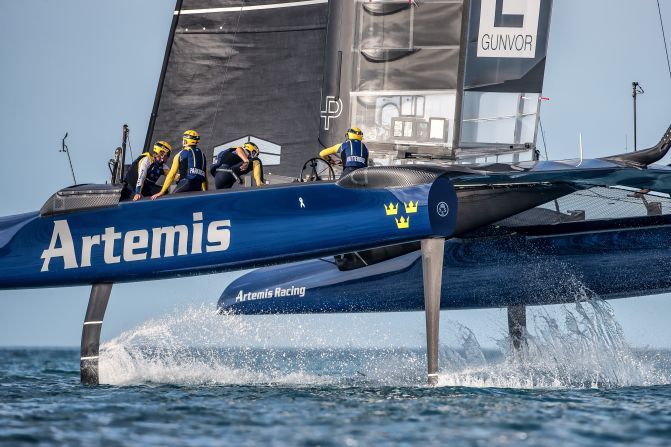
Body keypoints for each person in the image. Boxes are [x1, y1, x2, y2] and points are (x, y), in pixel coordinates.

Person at [152, 130, 208, 199]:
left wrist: (162, 192)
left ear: (185, 141)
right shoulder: (202, 155)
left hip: (185, 184)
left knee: (172, 202)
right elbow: (205, 178)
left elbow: (171, 175)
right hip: (198, 186)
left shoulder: (180, 154)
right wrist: (205, 192)